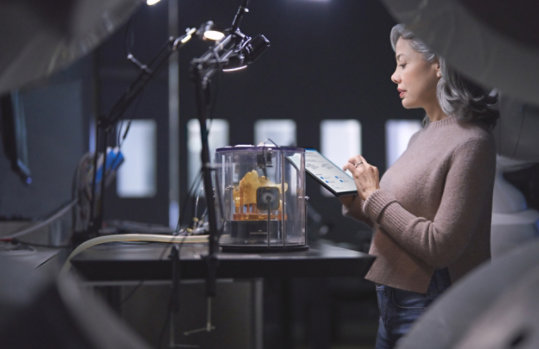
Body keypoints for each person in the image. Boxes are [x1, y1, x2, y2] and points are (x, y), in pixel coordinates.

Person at [340, 24, 499, 348]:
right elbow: (393, 221)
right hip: (393, 303)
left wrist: (374, 194)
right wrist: (354, 196)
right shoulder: (422, 136)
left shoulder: (471, 142)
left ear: (438, 63)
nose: (394, 76)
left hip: (431, 303)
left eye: (402, 63)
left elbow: (441, 247)